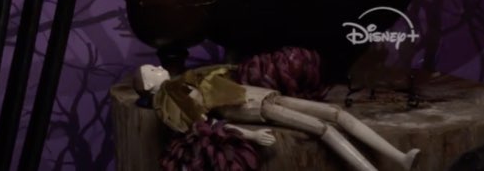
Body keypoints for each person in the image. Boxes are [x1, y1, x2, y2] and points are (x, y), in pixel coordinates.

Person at [136, 64, 420, 171]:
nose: (156, 67)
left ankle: (399, 157)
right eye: (151, 69)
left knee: (337, 113)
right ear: (149, 84)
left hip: (259, 94)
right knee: (323, 128)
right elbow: (209, 124)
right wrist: (251, 134)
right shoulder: (172, 99)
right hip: (250, 107)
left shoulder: (183, 83)